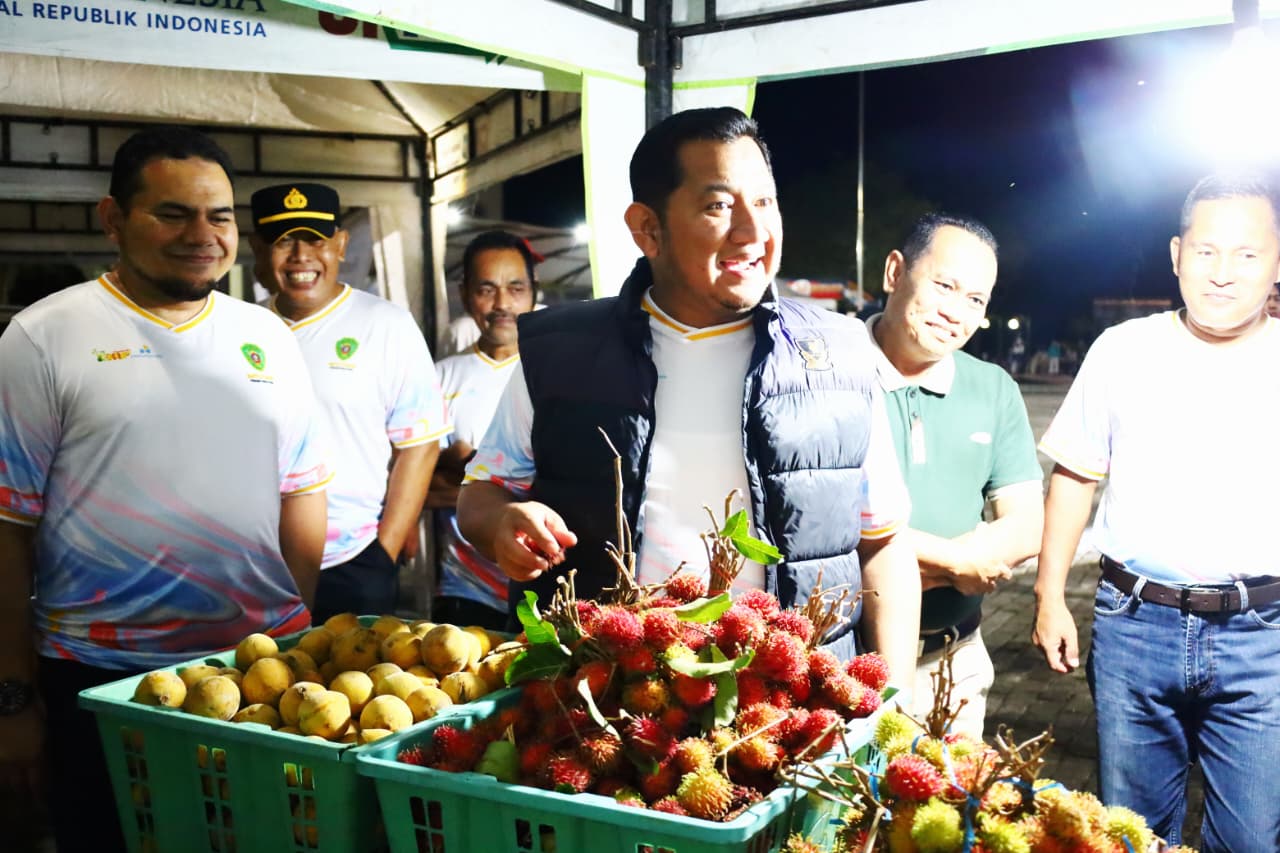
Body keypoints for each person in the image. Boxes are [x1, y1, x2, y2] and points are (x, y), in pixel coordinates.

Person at [457, 107, 920, 686]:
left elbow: (883, 544)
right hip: (611, 701)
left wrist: (895, 699)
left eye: (766, 202)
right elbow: (479, 495)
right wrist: (503, 520)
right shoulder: (558, 353)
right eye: (719, 206)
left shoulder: (840, 356)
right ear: (647, 228)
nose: (753, 233)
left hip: (791, 704)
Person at [0, 127, 331, 853]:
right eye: (172, 213)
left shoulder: (266, 335)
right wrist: (14, 698)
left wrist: (294, 622)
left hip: (257, 674)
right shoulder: (42, 336)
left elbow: (303, 489)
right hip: (100, 676)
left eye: (218, 216)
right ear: (112, 218)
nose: (202, 235)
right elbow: (7, 527)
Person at [1032, 173, 1280, 852]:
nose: (1223, 273)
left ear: (1278, 260)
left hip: (1263, 637)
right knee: (1130, 836)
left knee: (1254, 839)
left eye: (1247, 254)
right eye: (1205, 251)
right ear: (1176, 254)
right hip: (1135, 628)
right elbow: (1075, 477)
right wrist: (1050, 595)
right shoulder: (1123, 349)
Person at [866, 213, 1043, 737]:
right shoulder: (829, 374)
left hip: (955, 660)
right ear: (895, 272)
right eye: (944, 286)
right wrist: (956, 560)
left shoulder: (992, 388)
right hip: (847, 662)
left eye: (976, 300)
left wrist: (898, 564)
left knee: (951, 812)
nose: (957, 312)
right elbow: (822, 527)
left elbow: (1026, 525)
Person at [250, 183, 450, 624]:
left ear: (340, 245)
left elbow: (420, 445)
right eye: (284, 240)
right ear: (257, 248)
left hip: (353, 560)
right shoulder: (241, 328)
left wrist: (384, 551)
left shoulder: (385, 325)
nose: (301, 255)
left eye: (315, 239)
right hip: (257, 563)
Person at [429, 231, 540, 630]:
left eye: (515, 288)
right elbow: (420, 487)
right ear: (464, 295)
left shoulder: (555, 371)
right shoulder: (442, 377)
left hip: (546, 584)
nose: (502, 304)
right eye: (486, 289)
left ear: (533, 291)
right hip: (466, 589)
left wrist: (469, 468)